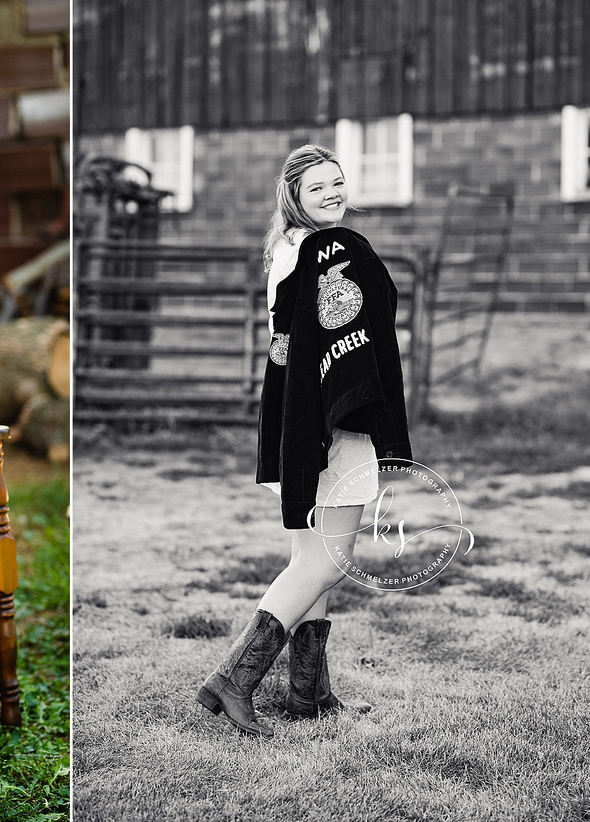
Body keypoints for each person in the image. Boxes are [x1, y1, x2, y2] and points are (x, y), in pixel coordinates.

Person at [196, 144, 411, 736]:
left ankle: (308, 695)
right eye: (318, 188)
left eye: (337, 183)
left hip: (291, 421)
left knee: (308, 560)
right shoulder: (324, 251)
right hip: (329, 420)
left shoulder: (291, 249)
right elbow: (345, 337)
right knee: (328, 562)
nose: (332, 194)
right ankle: (234, 681)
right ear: (294, 196)